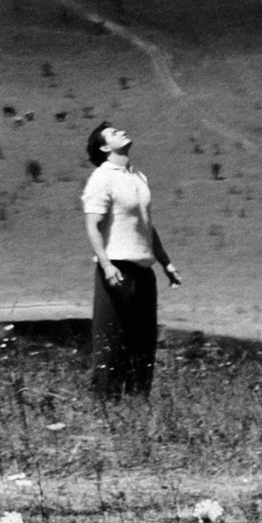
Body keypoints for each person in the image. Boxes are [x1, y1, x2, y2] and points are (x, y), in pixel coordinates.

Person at [81, 121, 178, 402]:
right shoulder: (102, 177)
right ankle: (103, 409)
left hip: (143, 271)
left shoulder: (138, 177)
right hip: (116, 270)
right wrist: (107, 265)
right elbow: (92, 225)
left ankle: (137, 407)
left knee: (143, 344)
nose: (121, 131)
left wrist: (165, 262)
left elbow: (147, 226)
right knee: (111, 344)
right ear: (104, 147)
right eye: (113, 133)